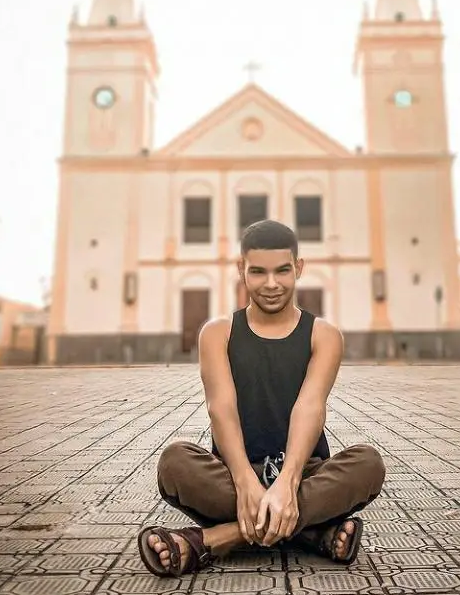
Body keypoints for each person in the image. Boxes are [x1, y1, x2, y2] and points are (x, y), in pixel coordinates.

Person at [137, 219, 386, 578]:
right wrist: (244, 481)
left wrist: (286, 482)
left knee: (368, 463)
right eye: (258, 272)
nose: (271, 284)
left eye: (283, 270)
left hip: (304, 472)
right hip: (232, 473)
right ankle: (312, 532)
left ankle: (212, 539)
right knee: (175, 462)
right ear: (242, 270)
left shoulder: (324, 335)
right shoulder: (217, 333)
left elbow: (310, 407)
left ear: (298, 268)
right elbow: (220, 410)